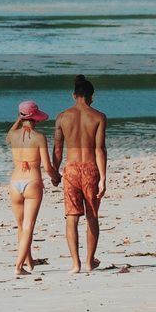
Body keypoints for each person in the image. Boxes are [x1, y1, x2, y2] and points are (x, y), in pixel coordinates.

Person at [52, 75, 107, 274]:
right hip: (91, 169)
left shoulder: (62, 117)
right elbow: (100, 149)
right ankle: (90, 261)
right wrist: (103, 178)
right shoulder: (99, 117)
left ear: (74, 95)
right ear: (92, 97)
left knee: (71, 217)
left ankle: (75, 264)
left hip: (72, 170)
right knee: (92, 216)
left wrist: (54, 173)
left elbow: (58, 149)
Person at [6, 100, 61, 277]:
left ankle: (28, 261)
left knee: (21, 226)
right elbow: (47, 166)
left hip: (14, 183)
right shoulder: (39, 138)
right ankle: (18, 266)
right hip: (32, 182)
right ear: (35, 118)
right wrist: (56, 178)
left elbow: (8, 135)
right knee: (29, 225)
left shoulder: (13, 135)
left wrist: (20, 118)